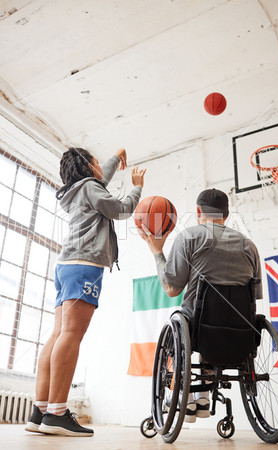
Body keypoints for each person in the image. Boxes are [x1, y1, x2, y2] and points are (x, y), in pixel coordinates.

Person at [25, 147, 146, 437]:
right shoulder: (91, 187)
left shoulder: (78, 189)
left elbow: (99, 176)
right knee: (71, 335)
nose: (98, 166)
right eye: (95, 161)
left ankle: (40, 411)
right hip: (84, 266)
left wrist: (115, 158)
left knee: (58, 335)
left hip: (65, 266)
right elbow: (120, 210)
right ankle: (56, 414)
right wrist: (137, 187)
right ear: (88, 167)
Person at [139, 188, 263, 423]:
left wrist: (157, 251)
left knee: (184, 318)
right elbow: (254, 295)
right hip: (241, 330)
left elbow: (171, 289)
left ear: (198, 211)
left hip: (198, 326)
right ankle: (203, 396)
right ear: (226, 214)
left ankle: (189, 396)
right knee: (218, 313)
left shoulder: (189, 236)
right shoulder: (249, 246)